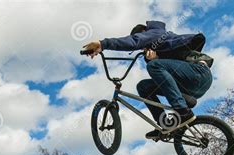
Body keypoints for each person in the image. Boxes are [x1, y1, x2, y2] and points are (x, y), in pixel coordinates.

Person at [83, 21, 213, 139]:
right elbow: (171, 70)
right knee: (143, 86)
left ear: (144, 32)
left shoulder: (156, 33)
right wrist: (157, 57)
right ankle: (166, 123)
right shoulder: (160, 49)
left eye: (142, 45)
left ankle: (182, 111)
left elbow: (134, 41)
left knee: (154, 66)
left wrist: (102, 44)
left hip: (198, 72)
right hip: (191, 84)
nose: (143, 48)